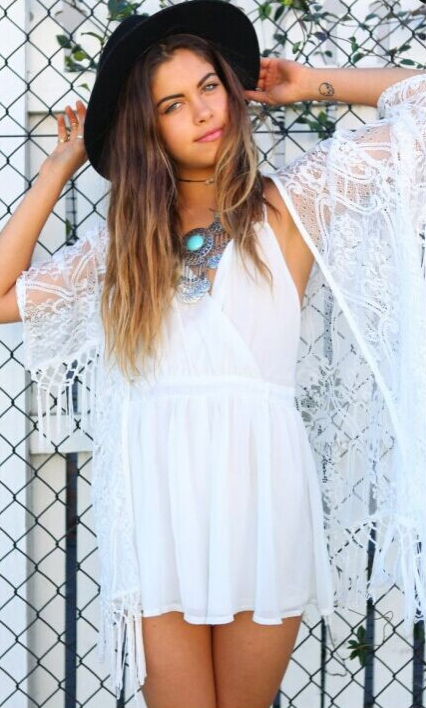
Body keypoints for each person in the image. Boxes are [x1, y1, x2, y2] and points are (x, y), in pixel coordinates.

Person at [0, 1, 425, 706]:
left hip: (261, 503)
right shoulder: (121, 251)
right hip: (158, 511)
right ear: (149, 131)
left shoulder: (290, 205)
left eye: (208, 86)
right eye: (173, 104)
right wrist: (61, 163)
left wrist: (310, 82)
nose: (203, 111)